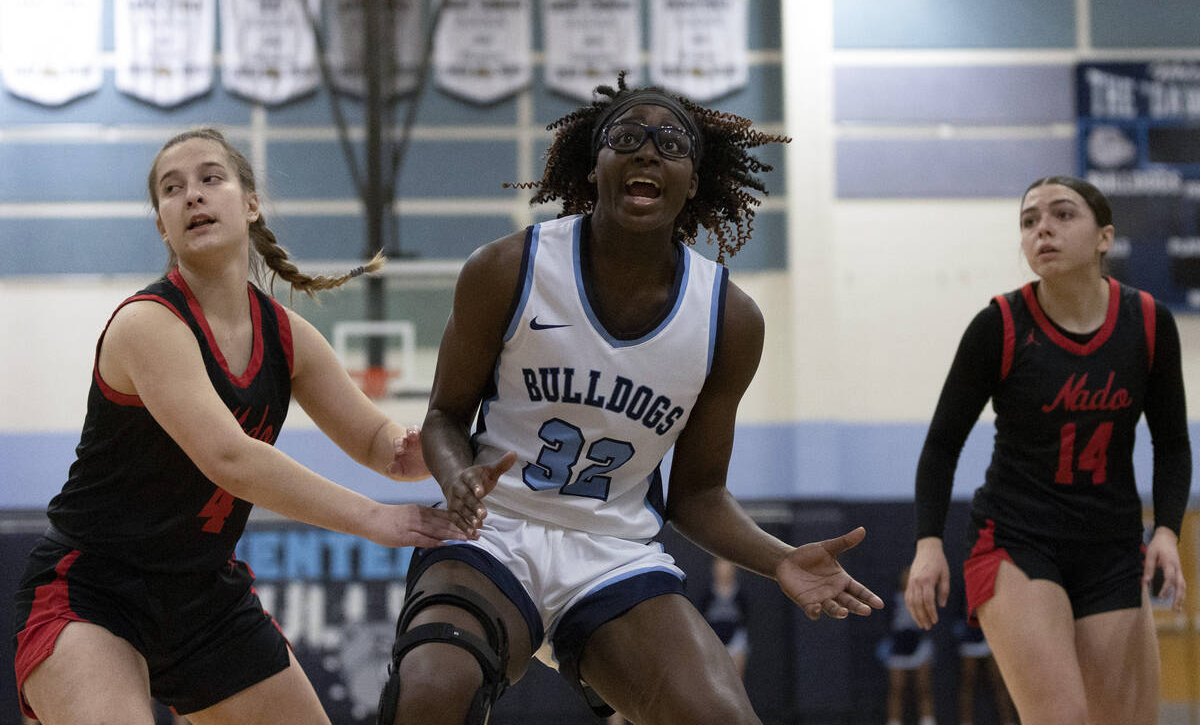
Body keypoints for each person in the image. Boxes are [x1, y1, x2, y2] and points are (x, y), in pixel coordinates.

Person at [376, 73, 884, 725]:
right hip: (492, 532)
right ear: (595, 168)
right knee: (430, 690)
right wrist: (457, 477)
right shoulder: (507, 269)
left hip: (612, 552)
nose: (648, 152)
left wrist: (780, 558)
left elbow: (697, 495)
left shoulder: (728, 319)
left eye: (670, 144)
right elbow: (445, 416)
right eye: (627, 139)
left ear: (693, 181)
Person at [11, 128, 464, 725]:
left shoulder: (288, 337)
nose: (192, 196)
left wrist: (439, 450)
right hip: (94, 591)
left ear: (250, 203)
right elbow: (230, 458)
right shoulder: (147, 323)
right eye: (172, 190)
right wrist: (377, 518)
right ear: (162, 227)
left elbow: (385, 449)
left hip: (203, 601)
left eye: (210, 178)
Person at [904, 176, 1192, 725]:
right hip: (1018, 540)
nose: (1043, 230)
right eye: (1029, 220)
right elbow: (942, 444)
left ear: (1104, 237)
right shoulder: (999, 326)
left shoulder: (1150, 323)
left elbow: (1173, 443)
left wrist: (1168, 532)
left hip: (1110, 544)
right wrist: (927, 543)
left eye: (1062, 215)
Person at [881, 567, 934, 725]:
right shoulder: (891, 600)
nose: (907, 579)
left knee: (924, 688)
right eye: (905, 576)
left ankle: (928, 720)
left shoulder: (922, 598)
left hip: (918, 646)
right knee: (896, 690)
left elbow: (929, 623)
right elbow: (886, 624)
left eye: (911, 576)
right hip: (897, 647)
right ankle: (894, 721)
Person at [953, 618, 1015, 725]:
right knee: (967, 684)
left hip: (989, 633)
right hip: (969, 634)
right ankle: (966, 722)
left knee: (1000, 683)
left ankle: (1009, 721)